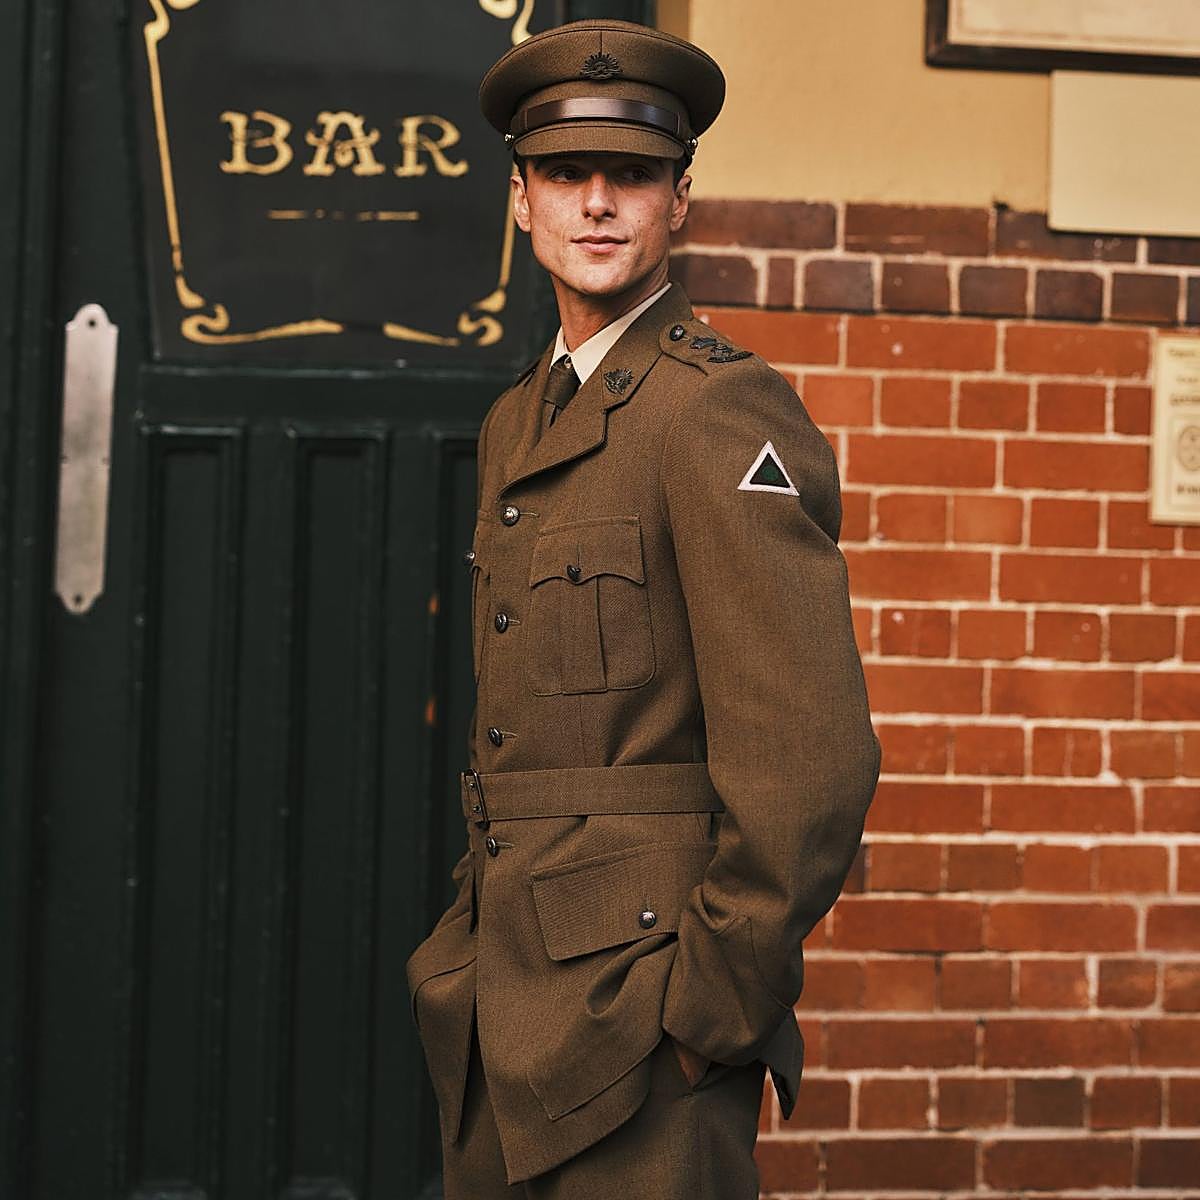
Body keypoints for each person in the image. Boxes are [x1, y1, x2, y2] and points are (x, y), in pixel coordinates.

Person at [405, 19, 880, 1199]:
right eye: (567, 174)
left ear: (683, 204)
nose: (599, 204)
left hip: (644, 1023)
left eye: (634, 175)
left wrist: (713, 1007)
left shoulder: (717, 412)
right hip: (499, 1009)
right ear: (520, 202)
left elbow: (809, 760)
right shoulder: (520, 421)